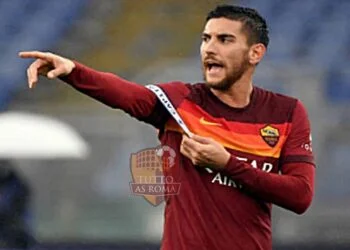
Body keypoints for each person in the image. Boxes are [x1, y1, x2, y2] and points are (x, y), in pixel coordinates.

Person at [19, 4, 315, 250]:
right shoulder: (181, 101)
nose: (209, 49)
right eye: (205, 39)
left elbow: (300, 196)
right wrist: (74, 71)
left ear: (256, 53)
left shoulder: (286, 113)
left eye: (224, 40)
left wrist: (227, 163)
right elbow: (128, 95)